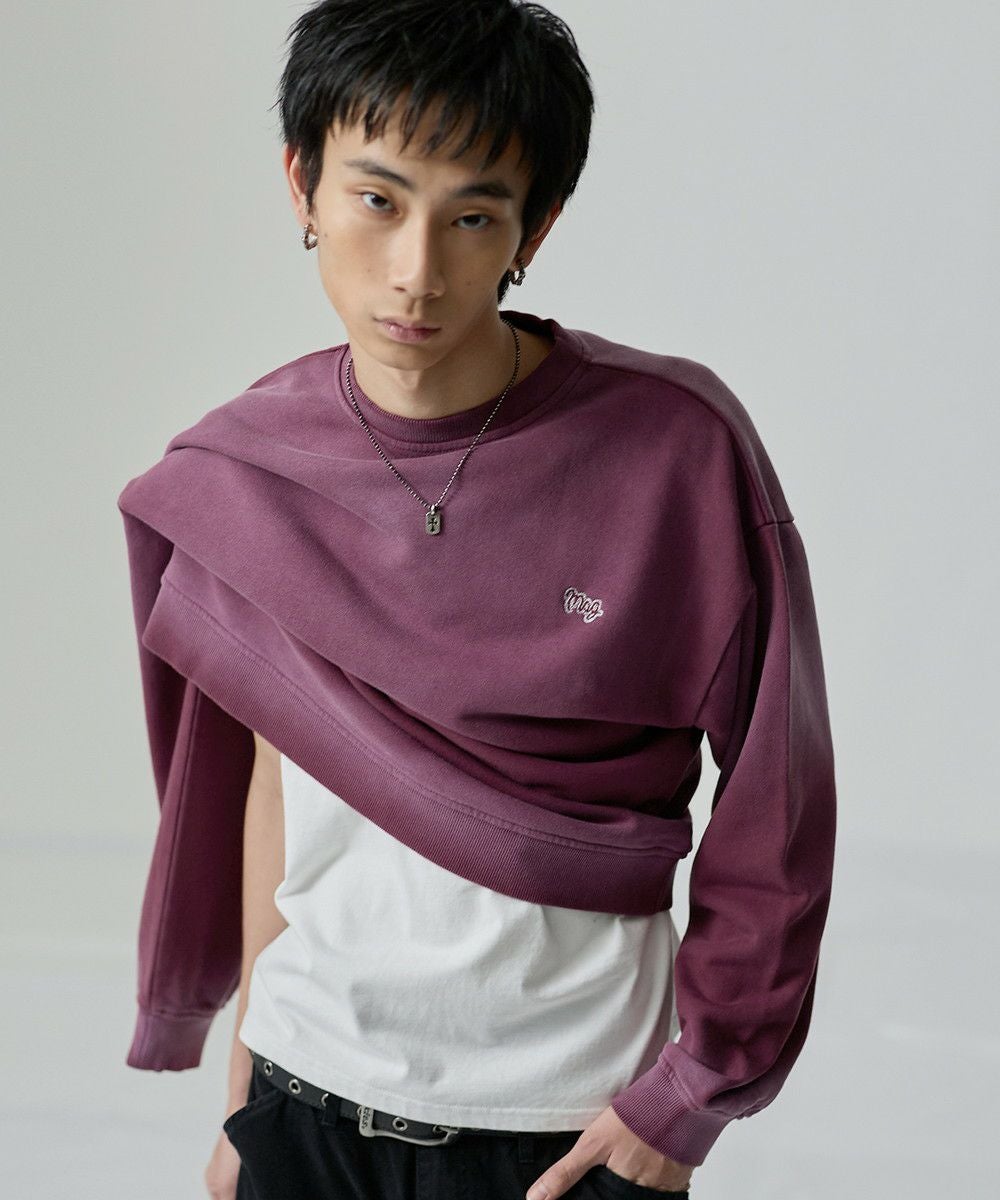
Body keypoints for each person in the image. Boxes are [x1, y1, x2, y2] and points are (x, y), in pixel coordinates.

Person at [116, 3, 837, 1199]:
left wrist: (687, 1102)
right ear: (302, 187)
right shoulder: (245, 474)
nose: (417, 270)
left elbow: (779, 803)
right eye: (377, 199)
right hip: (302, 1103)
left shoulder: (676, 454)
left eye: (471, 217)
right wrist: (243, 1095)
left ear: (532, 228)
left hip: (567, 1130)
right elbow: (273, 795)